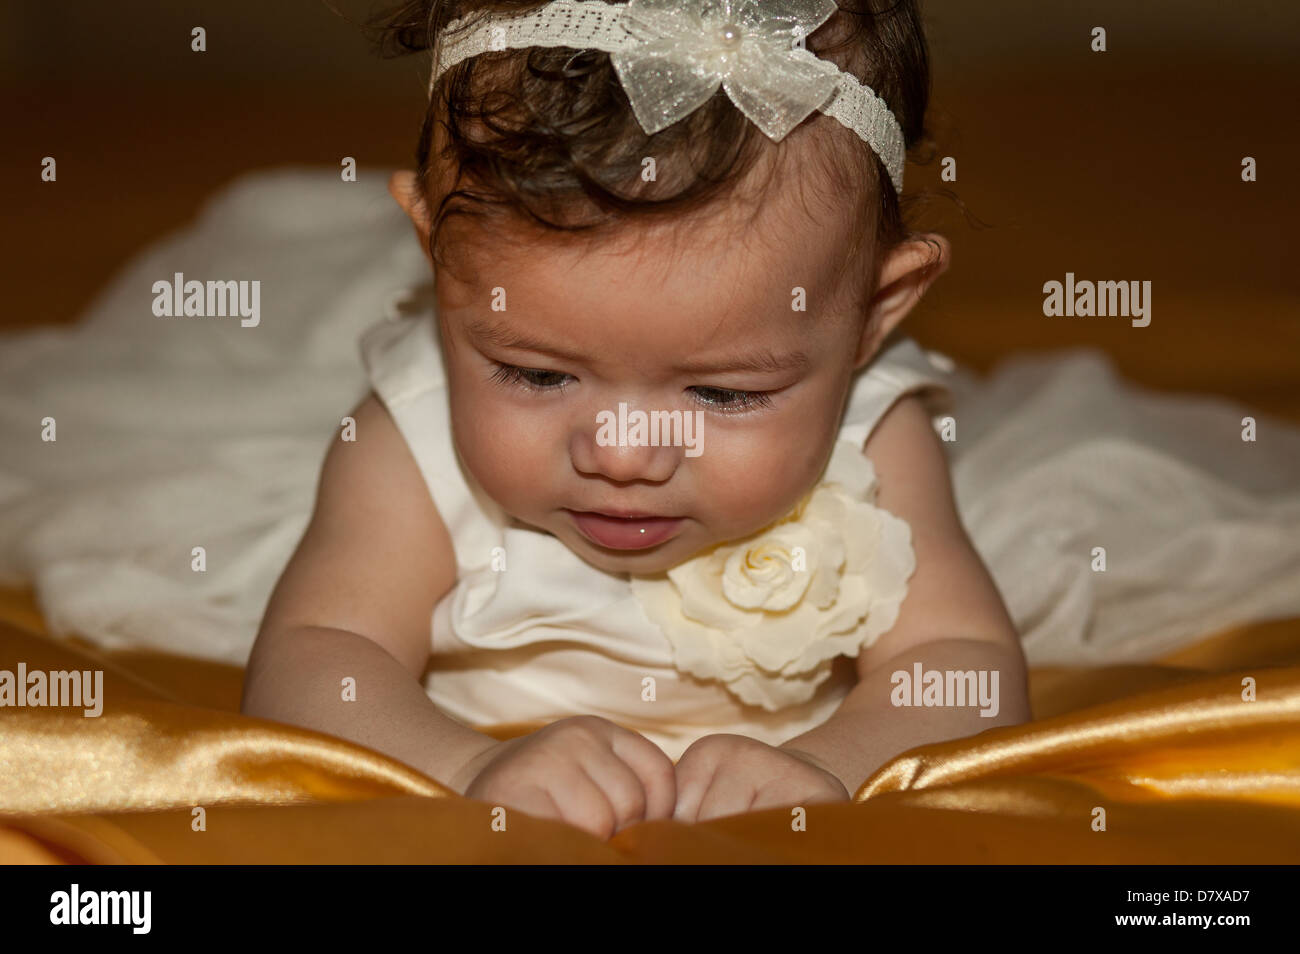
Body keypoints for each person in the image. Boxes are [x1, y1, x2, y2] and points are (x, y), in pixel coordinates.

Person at [241, 0, 1031, 840]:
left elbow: (959, 666)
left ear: (878, 308)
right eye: (536, 373)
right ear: (435, 254)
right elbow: (316, 654)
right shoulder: (410, 436)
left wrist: (832, 763)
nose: (622, 456)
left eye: (722, 395)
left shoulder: (873, 439)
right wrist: (463, 767)